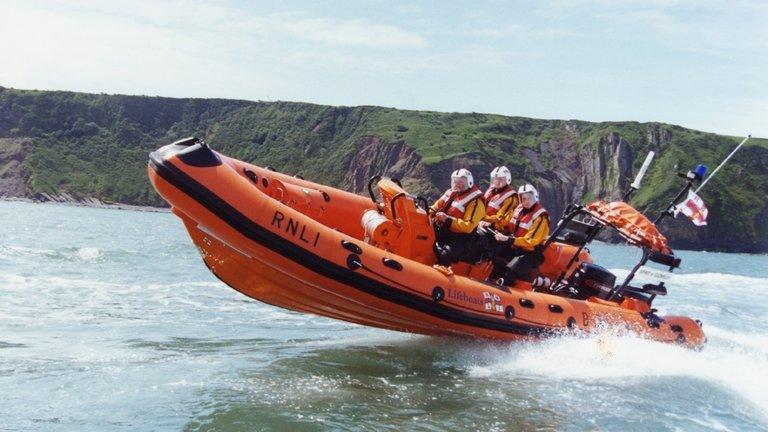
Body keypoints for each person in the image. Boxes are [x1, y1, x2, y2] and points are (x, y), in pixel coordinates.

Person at [487, 183, 549, 286]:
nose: (526, 201)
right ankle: (489, 278)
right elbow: (507, 224)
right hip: (515, 246)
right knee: (493, 251)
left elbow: (531, 242)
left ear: (535, 197)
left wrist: (508, 239)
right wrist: (492, 224)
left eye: (529, 198)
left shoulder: (541, 217)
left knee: (515, 265)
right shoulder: (518, 210)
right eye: (523, 199)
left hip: (530, 253)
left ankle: (505, 285)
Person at [430, 169, 486, 275]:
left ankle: (438, 275)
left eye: (461, 182)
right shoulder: (450, 193)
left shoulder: (476, 202)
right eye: (455, 182)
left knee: (446, 254)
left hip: (461, 239)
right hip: (444, 230)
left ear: (469, 182)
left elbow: (468, 226)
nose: (458, 185)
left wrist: (447, 219)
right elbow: (435, 207)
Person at [479, 166, 518, 231]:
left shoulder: (511, 198)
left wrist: (482, 218)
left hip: (495, 229)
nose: (497, 181)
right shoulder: (491, 190)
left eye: (500, 179)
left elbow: (500, 217)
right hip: (482, 223)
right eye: (495, 178)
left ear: (507, 179)